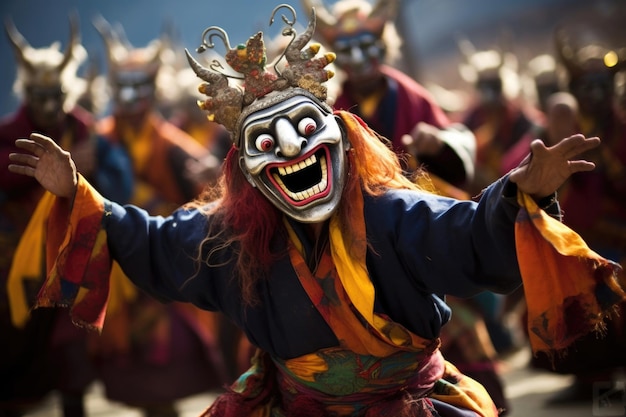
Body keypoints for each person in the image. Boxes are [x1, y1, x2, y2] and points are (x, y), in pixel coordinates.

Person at [8, 6, 625, 416]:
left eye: (306, 128)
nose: (294, 149)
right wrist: (80, 195)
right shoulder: (231, 237)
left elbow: (462, 233)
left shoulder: (392, 212)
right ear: (245, 167)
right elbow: (153, 241)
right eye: (267, 142)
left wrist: (520, 193)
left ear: (341, 135)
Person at [0, 16, 130, 417]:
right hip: (16, 259)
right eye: (39, 96)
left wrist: (94, 169)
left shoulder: (84, 130)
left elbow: (120, 186)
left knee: (72, 352)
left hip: (72, 254)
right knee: (14, 350)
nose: (48, 105)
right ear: (27, 95)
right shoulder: (9, 133)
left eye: (54, 95)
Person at [301, 0, 476, 196]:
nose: (358, 58)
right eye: (346, 51)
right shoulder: (331, 111)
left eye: (366, 46)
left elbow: (459, 144)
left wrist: (439, 144)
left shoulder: (412, 97)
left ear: (383, 47)